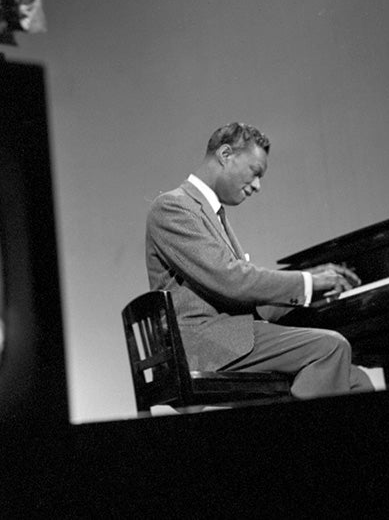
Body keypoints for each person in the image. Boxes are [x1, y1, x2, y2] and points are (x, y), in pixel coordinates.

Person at [145, 122, 375, 398]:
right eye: (255, 173)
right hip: (204, 345)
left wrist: (313, 287)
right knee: (331, 347)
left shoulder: (211, 213)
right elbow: (231, 280)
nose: (257, 186)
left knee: (357, 380)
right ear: (225, 154)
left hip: (228, 338)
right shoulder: (173, 206)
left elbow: (240, 294)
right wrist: (308, 282)